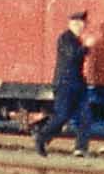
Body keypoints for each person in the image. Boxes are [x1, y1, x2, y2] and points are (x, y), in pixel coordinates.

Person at [34, 9, 97, 157]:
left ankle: (81, 148)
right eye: (77, 23)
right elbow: (72, 56)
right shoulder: (65, 38)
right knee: (62, 115)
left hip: (78, 83)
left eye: (82, 23)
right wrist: (86, 47)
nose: (81, 26)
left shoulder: (76, 40)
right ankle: (41, 137)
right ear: (71, 24)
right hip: (65, 84)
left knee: (85, 116)